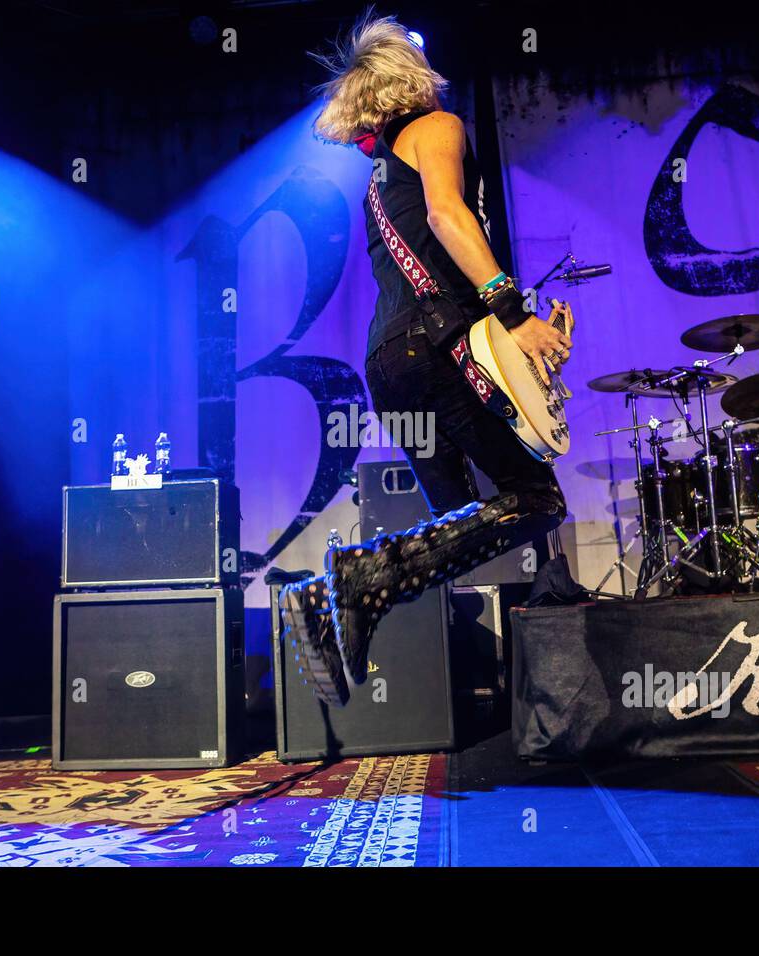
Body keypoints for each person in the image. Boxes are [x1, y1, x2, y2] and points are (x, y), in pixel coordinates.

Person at [280, 15, 571, 707]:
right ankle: (355, 581)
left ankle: (344, 597)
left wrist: (517, 341)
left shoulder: (381, 174)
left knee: (462, 526)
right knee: (536, 499)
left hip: (394, 361)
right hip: (433, 350)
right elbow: (448, 217)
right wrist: (514, 314)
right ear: (413, 74)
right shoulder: (437, 129)